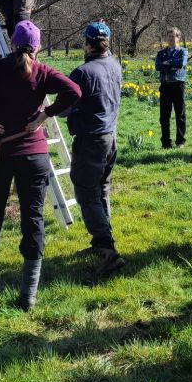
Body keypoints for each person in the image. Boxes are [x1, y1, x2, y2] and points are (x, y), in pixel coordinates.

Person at [0, 20, 81, 314]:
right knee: (33, 219)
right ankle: (28, 297)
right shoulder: (43, 71)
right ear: (37, 47)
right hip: (33, 156)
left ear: (12, 44)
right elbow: (74, 91)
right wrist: (45, 115)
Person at [65, 21, 125, 275]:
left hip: (90, 139)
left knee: (86, 192)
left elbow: (67, 105)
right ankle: (102, 242)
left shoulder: (83, 72)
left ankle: (108, 249)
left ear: (88, 43)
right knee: (101, 189)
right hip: (110, 137)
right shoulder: (114, 65)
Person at [154, 27, 189, 149]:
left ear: (178, 38)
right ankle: (165, 142)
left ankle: (180, 141)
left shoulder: (183, 51)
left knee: (180, 114)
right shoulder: (161, 53)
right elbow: (158, 66)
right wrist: (171, 64)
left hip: (178, 85)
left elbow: (181, 64)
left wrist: (167, 63)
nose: (170, 39)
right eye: (169, 36)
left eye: (173, 36)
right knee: (164, 116)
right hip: (165, 85)